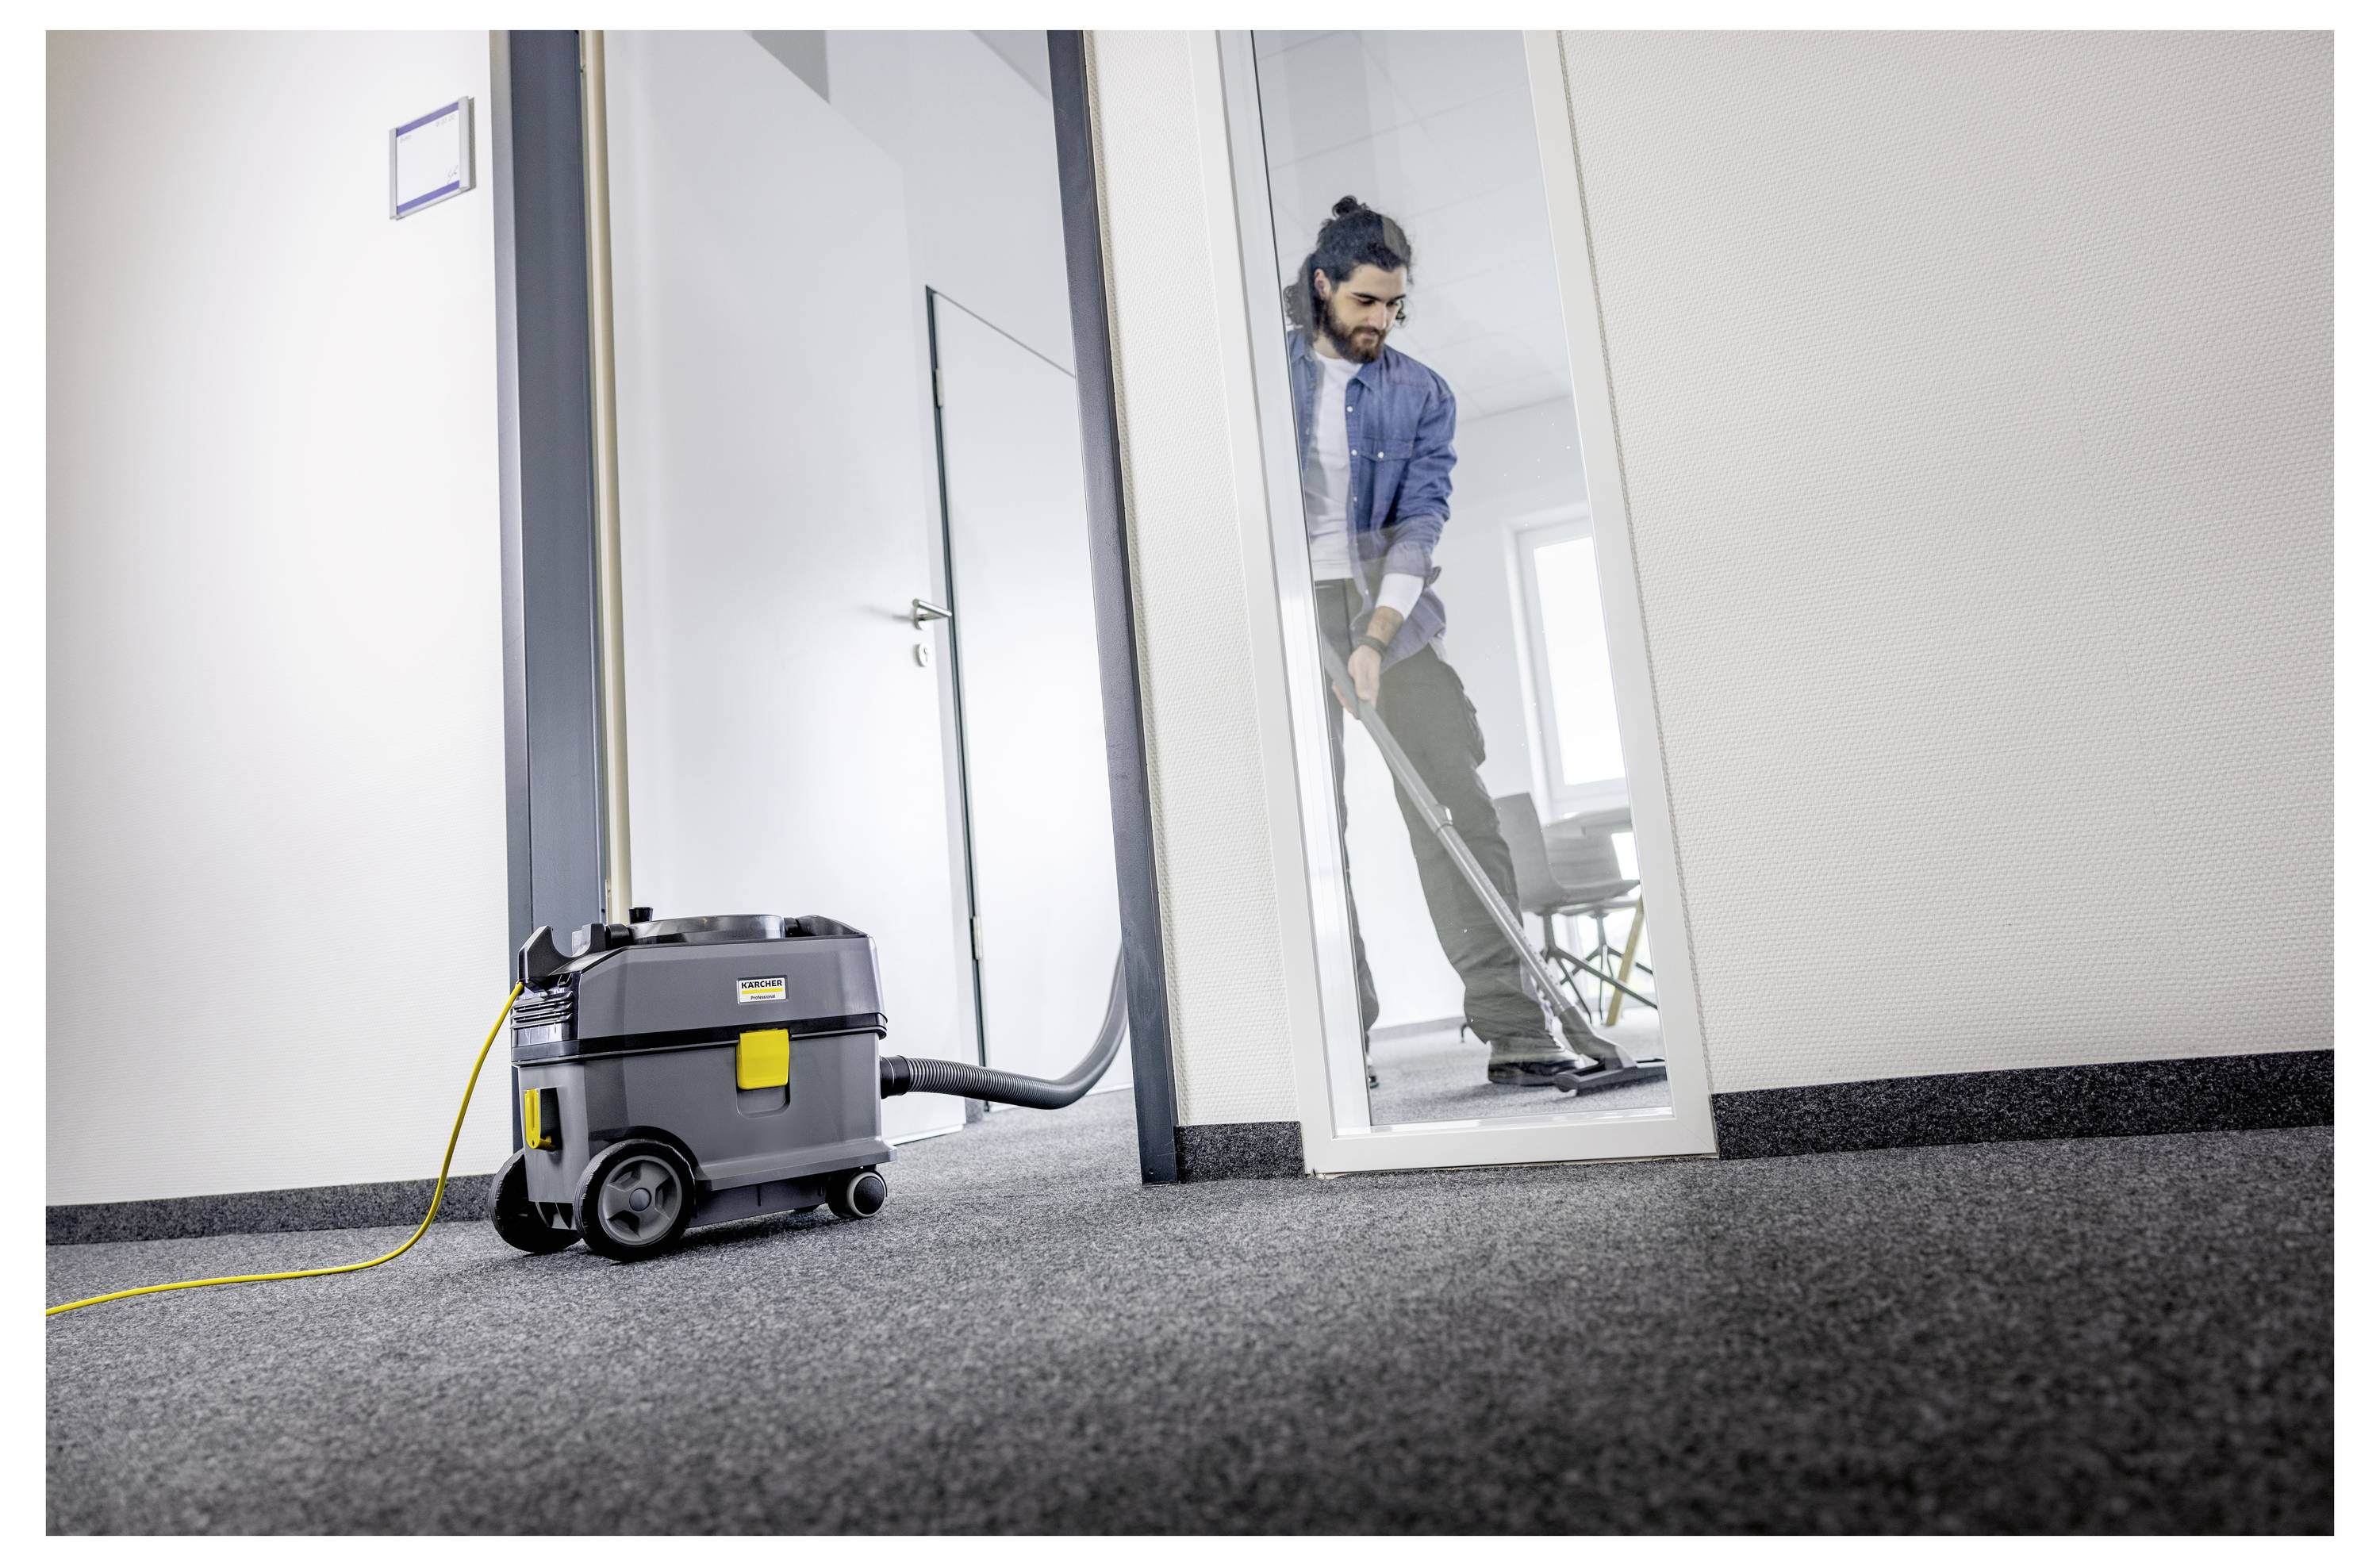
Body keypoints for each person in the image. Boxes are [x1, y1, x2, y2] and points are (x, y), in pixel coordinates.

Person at [1286, 196, 1583, 1088]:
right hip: (1291, 612)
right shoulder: (1263, 376)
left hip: (1394, 617)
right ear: (1323, 285)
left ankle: (1517, 1030)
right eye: (1365, 302)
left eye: (1395, 306)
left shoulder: (1421, 393)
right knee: (1313, 831)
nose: (1380, 321)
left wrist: (1375, 639)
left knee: (1458, 810)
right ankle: (1339, 1045)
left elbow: (1419, 524)